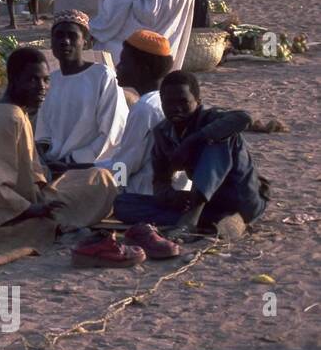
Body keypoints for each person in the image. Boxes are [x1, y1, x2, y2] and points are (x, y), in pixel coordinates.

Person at [0, 47, 118, 240]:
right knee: (102, 183)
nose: (42, 87)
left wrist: (47, 172)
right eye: (33, 79)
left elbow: (13, 165)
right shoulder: (11, 118)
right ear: (15, 79)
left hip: (6, 197)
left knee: (95, 175)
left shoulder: (4, 110)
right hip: (7, 210)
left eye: (46, 80)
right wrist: (33, 209)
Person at [113, 71, 267, 231]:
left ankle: (194, 217)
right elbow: (160, 182)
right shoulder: (163, 132)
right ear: (162, 102)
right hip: (209, 205)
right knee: (122, 204)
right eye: (169, 103)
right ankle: (215, 222)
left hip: (241, 200)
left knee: (220, 138)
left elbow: (245, 118)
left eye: (183, 102)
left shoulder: (211, 118)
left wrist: (192, 141)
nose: (176, 109)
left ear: (198, 102)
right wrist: (170, 196)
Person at [34, 11, 128, 172]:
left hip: (91, 168)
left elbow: (112, 133)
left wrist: (71, 162)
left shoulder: (102, 76)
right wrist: (41, 157)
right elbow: (44, 134)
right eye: (59, 36)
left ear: (85, 42)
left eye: (72, 36)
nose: (65, 41)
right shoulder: (50, 81)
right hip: (53, 166)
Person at [98, 29, 176, 198]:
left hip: (145, 194)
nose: (118, 66)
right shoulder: (165, 101)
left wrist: (105, 188)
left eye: (124, 62)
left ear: (143, 69)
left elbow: (124, 168)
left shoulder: (145, 108)